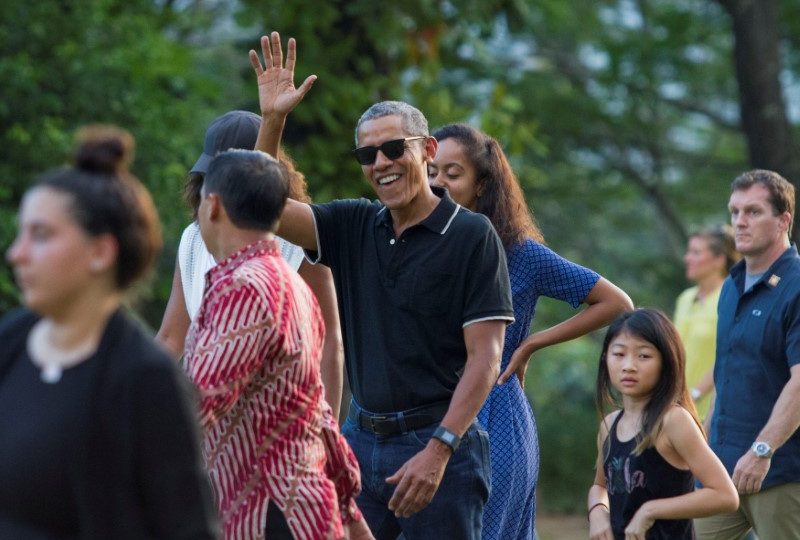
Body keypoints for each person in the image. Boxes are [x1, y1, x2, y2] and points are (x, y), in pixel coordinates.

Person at [248, 33, 514, 539]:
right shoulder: (353, 225)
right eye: (367, 156)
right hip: (361, 441)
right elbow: (265, 209)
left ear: (428, 151)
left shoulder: (471, 235)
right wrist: (273, 121)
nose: (381, 164)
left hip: (438, 446)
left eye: (394, 149)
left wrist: (438, 451)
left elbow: (486, 358)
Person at [0, 125, 219, 538]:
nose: (17, 254)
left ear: (101, 251)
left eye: (41, 235)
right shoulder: (10, 344)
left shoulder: (145, 379)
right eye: (21, 233)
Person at [428, 123, 633, 539]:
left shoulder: (520, 252)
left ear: (481, 184)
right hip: (429, 408)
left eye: (453, 173)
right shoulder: (418, 243)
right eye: (431, 171)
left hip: (496, 416)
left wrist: (531, 344)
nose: (439, 183)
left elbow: (616, 303)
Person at [182, 148, 372, 539]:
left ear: (212, 205)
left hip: (268, 509)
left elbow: (198, 398)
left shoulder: (245, 286)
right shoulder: (291, 283)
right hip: (299, 503)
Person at [156, 110, 345, 418]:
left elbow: (328, 345)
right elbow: (171, 337)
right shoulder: (192, 239)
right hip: (215, 436)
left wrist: (328, 429)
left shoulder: (299, 242)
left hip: (277, 427)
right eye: (213, 179)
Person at [694, 170, 800, 539]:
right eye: (735, 211)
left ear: (784, 219)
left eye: (753, 212)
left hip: (782, 472)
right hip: (722, 470)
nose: (739, 221)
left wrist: (762, 451)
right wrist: (703, 443)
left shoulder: (797, 286)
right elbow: (727, 373)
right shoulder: (731, 285)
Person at [588, 309, 739, 540]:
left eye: (644, 356)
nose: (629, 366)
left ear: (666, 362)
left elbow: (725, 495)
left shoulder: (673, 421)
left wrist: (650, 510)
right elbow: (600, 486)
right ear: (605, 358)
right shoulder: (609, 425)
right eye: (619, 354)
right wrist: (598, 511)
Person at [673, 225, 739, 420]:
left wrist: (693, 396)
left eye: (696, 252)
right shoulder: (685, 298)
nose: (687, 258)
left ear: (719, 260)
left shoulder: (732, 298)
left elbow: (730, 356)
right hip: (675, 410)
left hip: (710, 414)